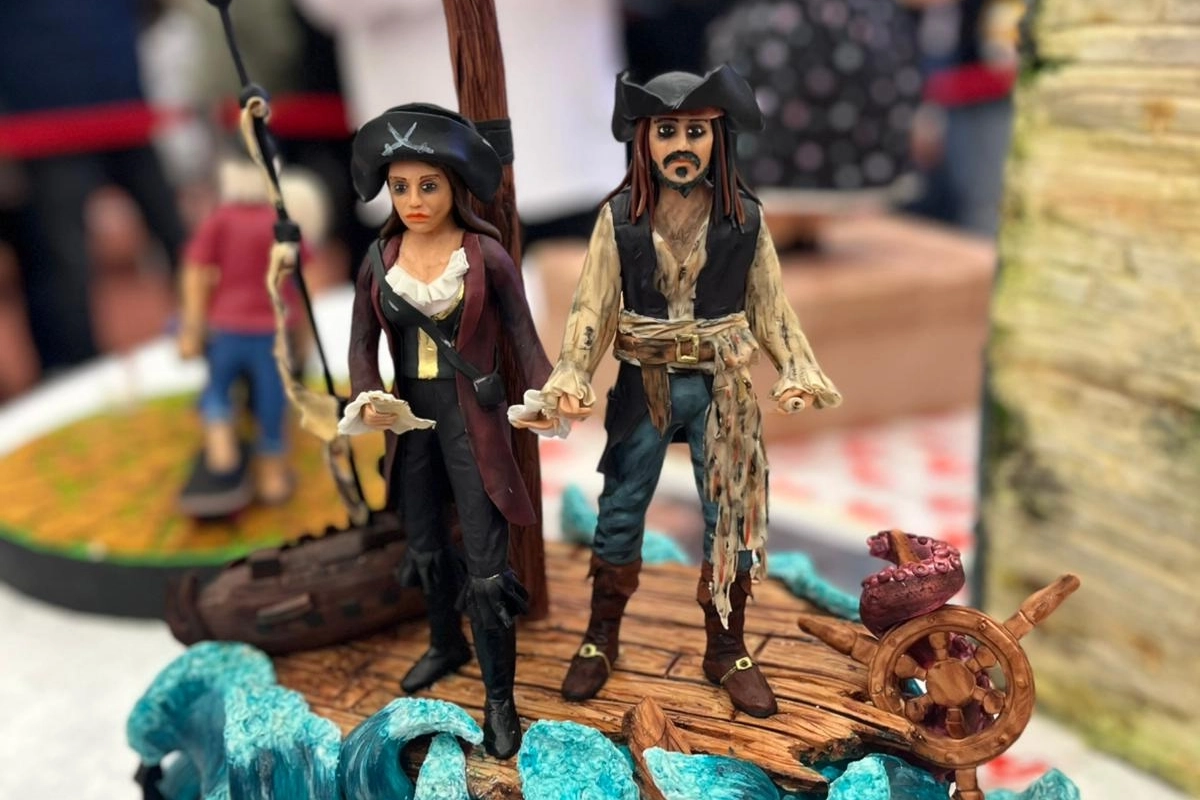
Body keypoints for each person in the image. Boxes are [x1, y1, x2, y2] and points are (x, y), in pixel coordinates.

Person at [511, 67, 841, 718]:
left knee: (731, 518)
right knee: (620, 510)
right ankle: (601, 635)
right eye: (667, 131)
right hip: (645, 384)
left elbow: (771, 307)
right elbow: (591, 307)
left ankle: (728, 647)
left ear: (719, 138)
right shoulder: (618, 221)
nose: (681, 145)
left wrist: (797, 368)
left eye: (696, 130)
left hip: (724, 388)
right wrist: (573, 372)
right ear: (644, 139)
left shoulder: (746, 220)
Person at [341, 104, 551, 759]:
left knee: (487, 562)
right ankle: (443, 641)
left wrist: (548, 391)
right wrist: (367, 396)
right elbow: (360, 345)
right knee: (425, 536)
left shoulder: (485, 257)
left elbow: (524, 337)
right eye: (400, 186)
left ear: (454, 187)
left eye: (427, 186)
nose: (413, 201)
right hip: (410, 419)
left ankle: (499, 698)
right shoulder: (379, 259)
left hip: (474, 421)